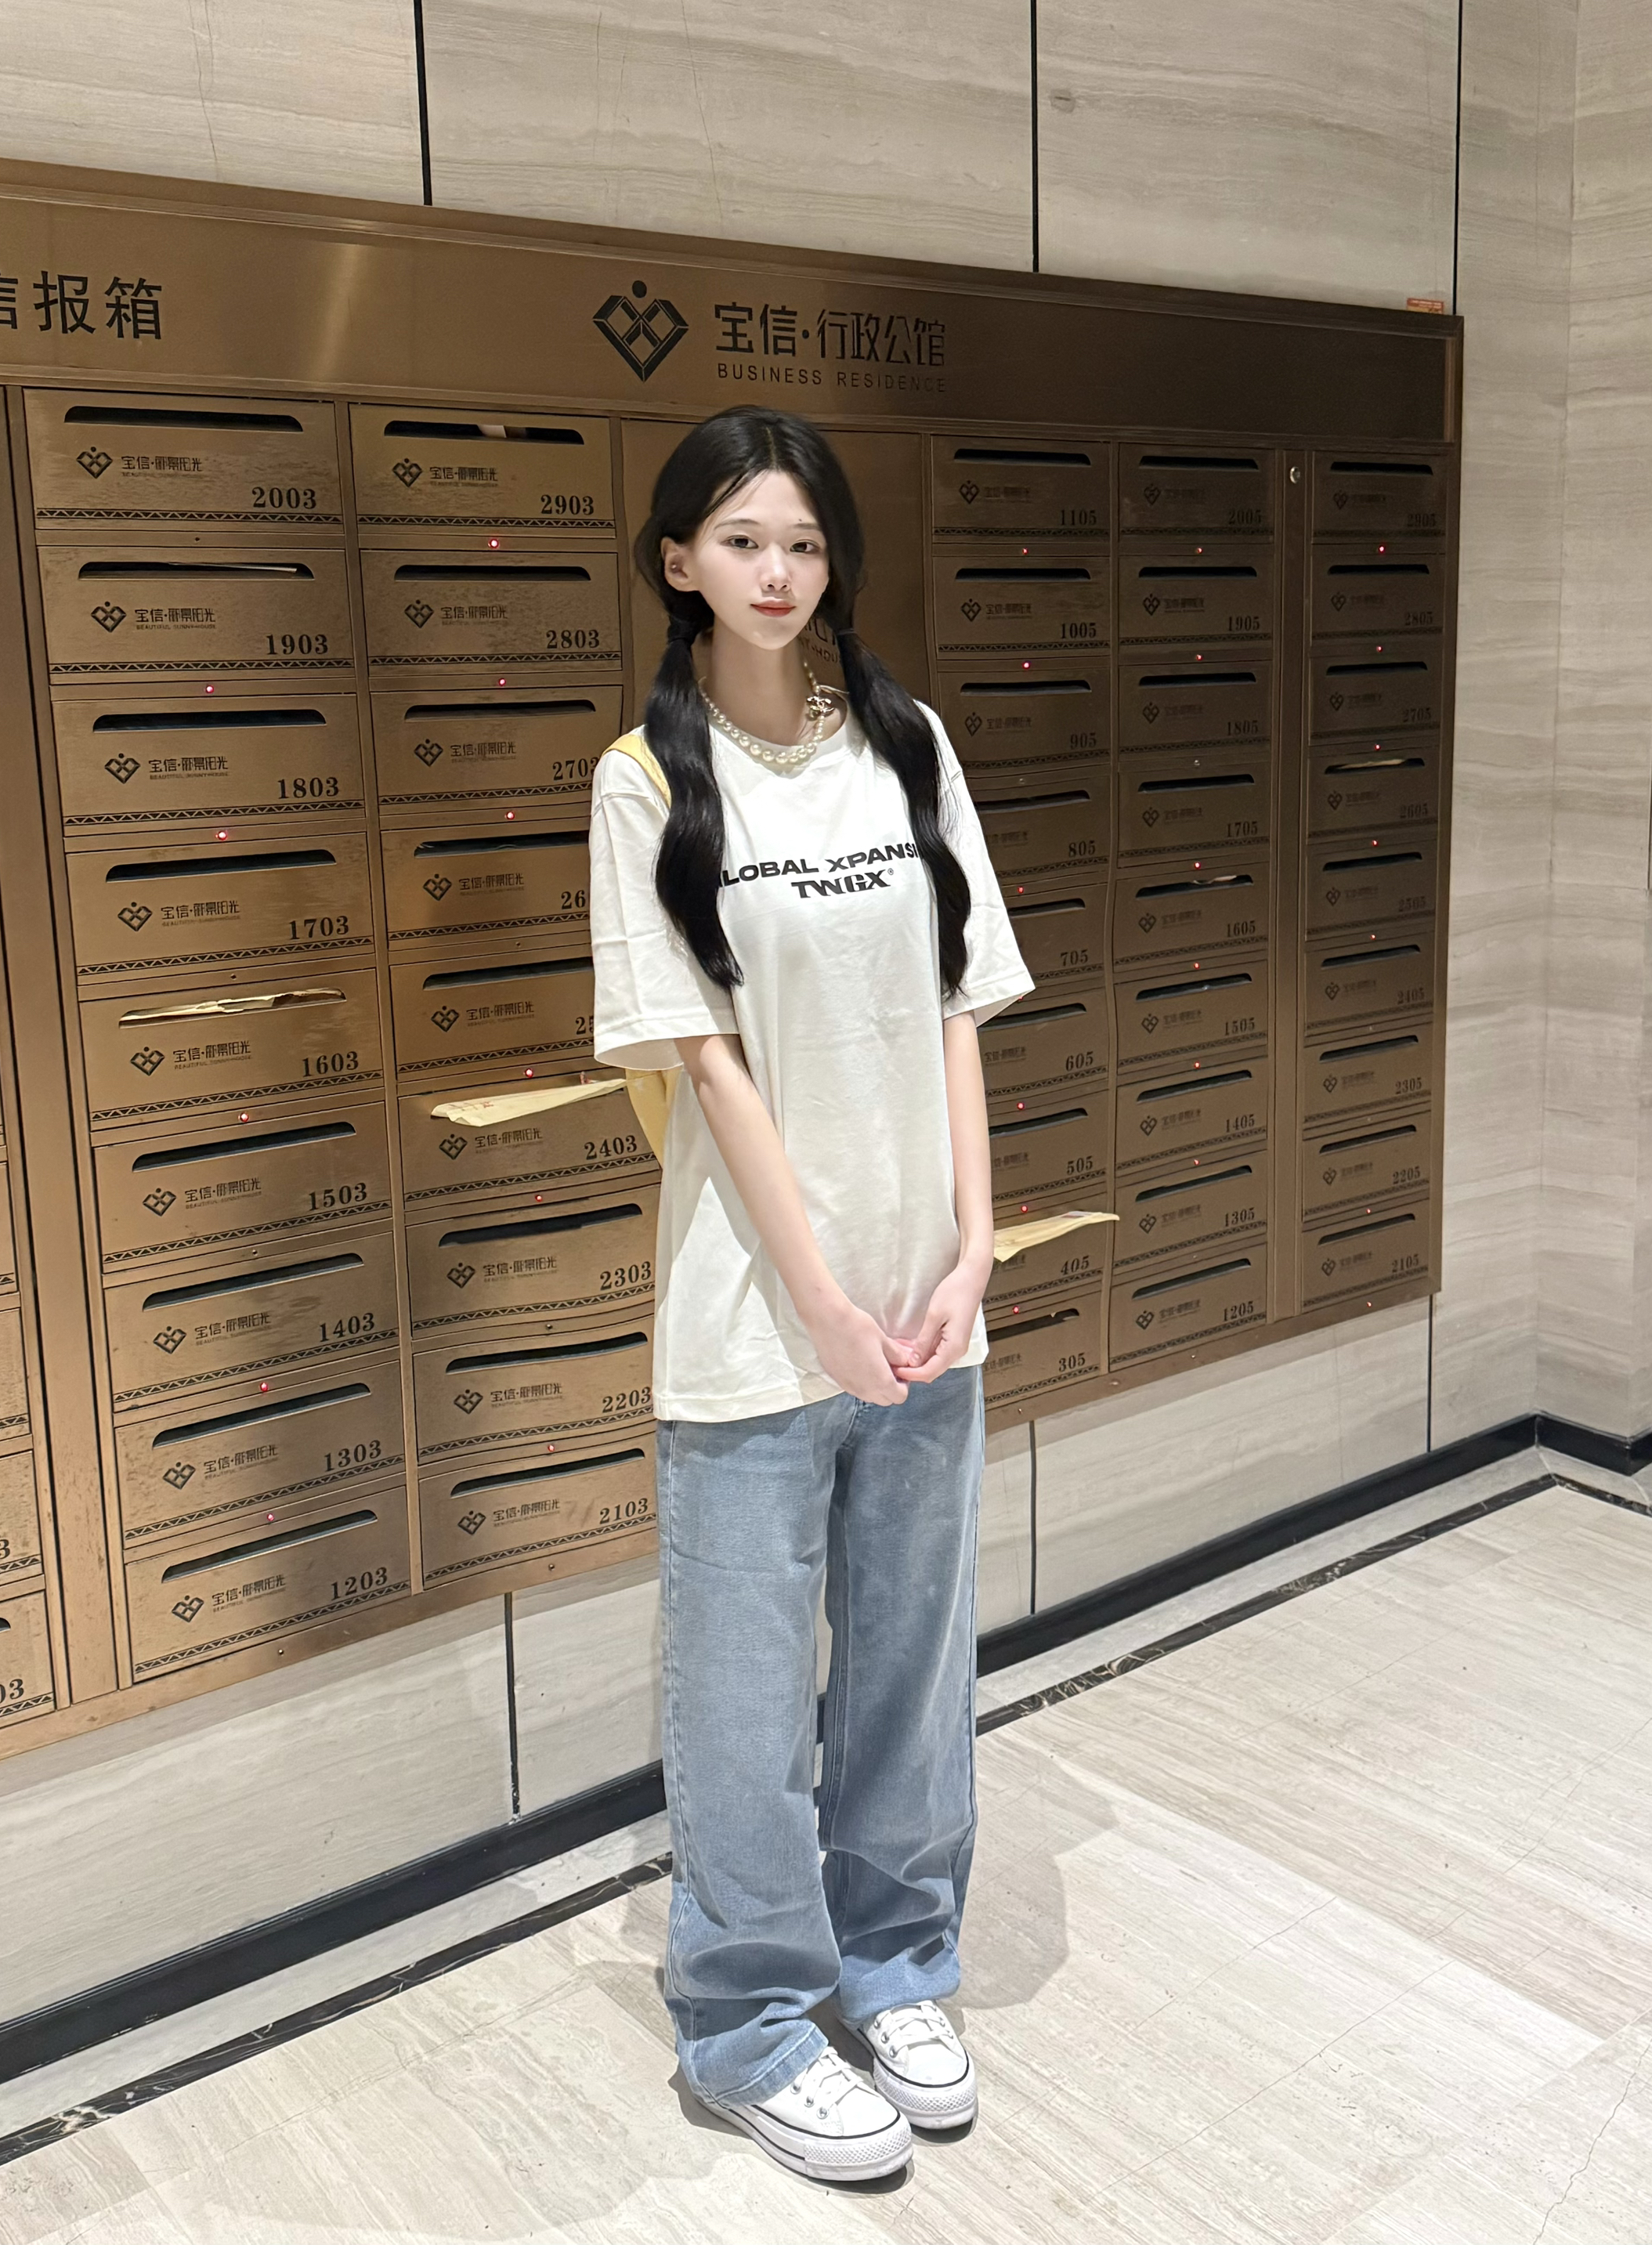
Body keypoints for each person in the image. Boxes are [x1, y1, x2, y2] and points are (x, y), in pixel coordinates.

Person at [587, 405, 1033, 2184]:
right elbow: (705, 1064)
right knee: (744, 1690)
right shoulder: (646, 779)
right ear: (678, 559)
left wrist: (974, 1245)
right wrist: (824, 1296)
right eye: (741, 540)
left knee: (913, 1666)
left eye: (803, 541)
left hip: (926, 1304)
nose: (776, 572)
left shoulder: (906, 747)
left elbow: (957, 1005)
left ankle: (898, 1958)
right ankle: (751, 2018)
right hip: (757, 1317)